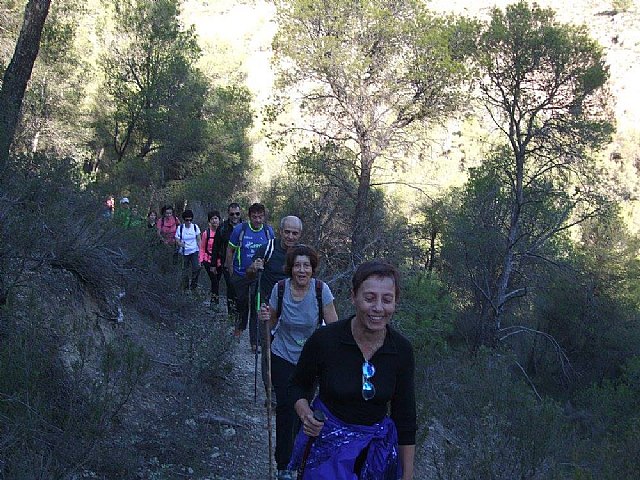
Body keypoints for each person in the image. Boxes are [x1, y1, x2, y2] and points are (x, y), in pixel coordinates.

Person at [287, 260, 416, 480]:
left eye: (387, 300)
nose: (378, 308)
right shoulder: (325, 340)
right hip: (325, 448)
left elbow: (405, 417)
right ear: (353, 296)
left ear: (395, 302)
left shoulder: (401, 350)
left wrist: (407, 475)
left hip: (376, 454)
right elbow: (298, 385)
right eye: (369, 298)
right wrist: (305, 414)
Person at [258, 244, 338, 480]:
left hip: (310, 362)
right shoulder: (280, 289)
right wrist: (264, 319)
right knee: (285, 407)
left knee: (303, 411)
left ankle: (298, 458)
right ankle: (284, 465)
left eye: (306, 266)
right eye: (297, 265)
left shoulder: (321, 291)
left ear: (313, 269)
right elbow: (270, 323)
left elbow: (333, 328)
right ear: (290, 268)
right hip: (283, 355)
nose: (302, 270)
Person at [247, 215, 303, 404]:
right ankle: (271, 393)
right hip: (268, 309)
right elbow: (249, 272)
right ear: (281, 231)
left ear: (300, 234)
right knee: (268, 349)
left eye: (294, 233)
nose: (290, 236)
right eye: (287, 232)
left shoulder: (302, 255)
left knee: (290, 350)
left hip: (292, 311)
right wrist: (254, 267)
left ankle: (288, 389)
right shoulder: (268, 248)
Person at [227, 202, 275, 352]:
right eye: (254, 217)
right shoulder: (240, 230)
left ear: (264, 217)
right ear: (249, 217)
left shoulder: (268, 232)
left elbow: (272, 252)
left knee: (257, 306)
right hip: (240, 274)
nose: (257, 220)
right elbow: (230, 250)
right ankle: (239, 327)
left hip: (259, 276)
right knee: (241, 303)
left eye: (260, 217)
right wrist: (230, 269)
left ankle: (255, 342)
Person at [212, 202, 243, 316]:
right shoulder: (223, 228)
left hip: (242, 264)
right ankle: (231, 314)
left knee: (240, 289)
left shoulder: (245, 227)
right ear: (228, 214)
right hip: (227, 263)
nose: (235, 216)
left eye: (237, 214)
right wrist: (213, 264)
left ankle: (241, 314)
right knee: (230, 286)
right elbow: (216, 246)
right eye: (232, 214)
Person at [199, 210, 223, 305]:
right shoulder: (206, 233)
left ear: (219, 220)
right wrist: (201, 260)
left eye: (216, 218)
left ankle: (214, 300)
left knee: (216, 281)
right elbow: (202, 247)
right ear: (209, 221)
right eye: (212, 219)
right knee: (214, 281)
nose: (214, 221)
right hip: (208, 260)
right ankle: (214, 302)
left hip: (220, 261)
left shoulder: (222, 232)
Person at [175, 209, 201, 292]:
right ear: (184, 220)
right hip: (184, 252)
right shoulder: (180, 228)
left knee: (196, 268)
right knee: (185, 270)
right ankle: (185, 288)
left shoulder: (195, 227)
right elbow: (177, 239)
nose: (189, 222)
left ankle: (193, 286)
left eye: (190, 220)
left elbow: (199, 239)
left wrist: (201, 251)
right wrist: (180, 244)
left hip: (194, 251)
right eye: (187, 220)